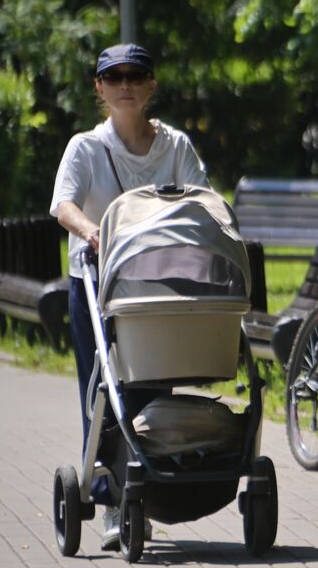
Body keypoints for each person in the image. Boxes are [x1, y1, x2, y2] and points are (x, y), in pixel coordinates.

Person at [49, 44, 208, 550]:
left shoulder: (175, 147)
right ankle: (112, 496)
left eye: (135, 76)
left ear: (150, 85)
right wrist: (92, 232)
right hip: (96, 284)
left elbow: (202, 198)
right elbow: (62, 204)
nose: (124, 85)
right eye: (113, 77)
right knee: (103, 390)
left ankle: (149, 482)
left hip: (160, 284)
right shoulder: (85, 148)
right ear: (99, 87)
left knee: (154, 383)